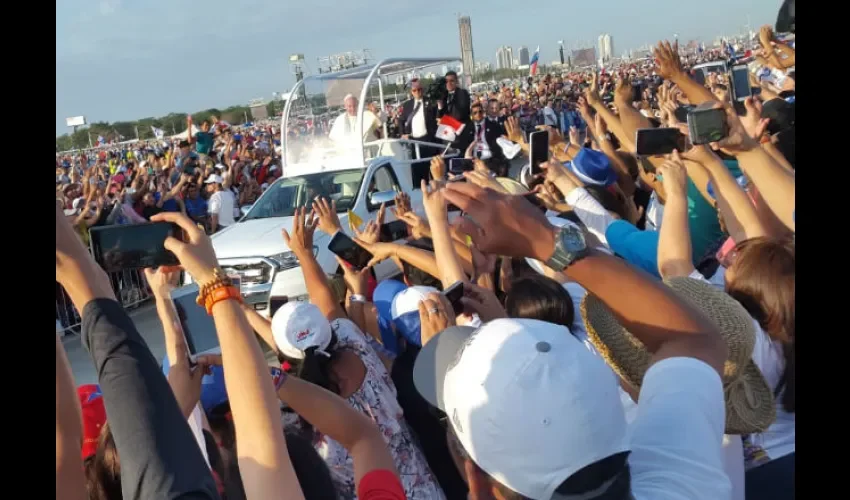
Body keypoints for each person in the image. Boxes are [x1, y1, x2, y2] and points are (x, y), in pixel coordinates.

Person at [398, 79, 438, 157]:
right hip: (413, 140)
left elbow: (437, 116)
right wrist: (403, 134)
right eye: (414, 90)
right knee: (416, 165)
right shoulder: (407, 105)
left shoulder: (431, 102)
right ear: (411, 92)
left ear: (422, 90)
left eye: (419, 89)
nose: (417, 92)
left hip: (428, 139)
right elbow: (401, 120)